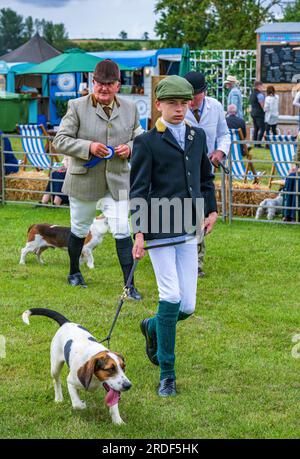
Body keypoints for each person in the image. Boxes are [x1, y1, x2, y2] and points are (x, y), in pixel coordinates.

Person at [130, 75, 217, 397]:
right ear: (159, 106)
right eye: (172, 104)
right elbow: (138, 188)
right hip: (157, 225)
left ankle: (152, 326)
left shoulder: (199, 136)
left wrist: (212, 209)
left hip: (189, 225)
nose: (179, 109)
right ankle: (167, 372)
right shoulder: (147, 141)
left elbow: (205, 177)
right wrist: (139, 230)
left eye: (184, 103)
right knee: (170, 297)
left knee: (189, 305)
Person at [53, 59, 143, 299]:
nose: (103, 88)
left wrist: (130, 148)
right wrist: (88, 146)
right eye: (99, 83)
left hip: (118, 181)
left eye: (109, 84)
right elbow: (60, 140)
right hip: (84, 180)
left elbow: (140, 138)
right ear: (93, 83)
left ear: (118, 85)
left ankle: (129, 285)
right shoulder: (76, 106)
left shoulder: (131, 108)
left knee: (123, 230)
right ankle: (74, 272)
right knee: (80, 228)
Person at [184, 71, 230, 277]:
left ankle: (197, 263)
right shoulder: (178, 107)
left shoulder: (216, 107)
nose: (192, 100)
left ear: (204, 92)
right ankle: (182, 255)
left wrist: (220, 151)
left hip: (205, 171)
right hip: (182, 170)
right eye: (188, 95)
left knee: (201, 214)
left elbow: (224, 134)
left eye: (196, 95)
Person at [249, 81, 265, 147]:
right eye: (262, 86)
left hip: (253, 113)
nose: (262, 88)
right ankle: (258, 144)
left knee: (256, 128)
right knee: (262, 128)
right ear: (258, 86)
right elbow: (262, 105)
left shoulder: (252, 94)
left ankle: (255, 142)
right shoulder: (259, 94)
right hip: (259, 113)